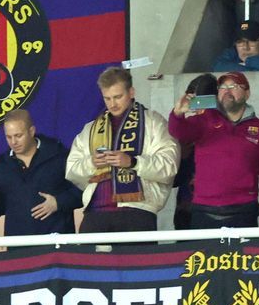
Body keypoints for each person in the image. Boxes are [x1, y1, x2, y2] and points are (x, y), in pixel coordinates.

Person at [65, 66, 178, 231]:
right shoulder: (90, 129)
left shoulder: (154, 122)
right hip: (95, 213)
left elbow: (169, 167)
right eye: (107, 98)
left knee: (135, 258)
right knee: (90, 258)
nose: (112, 104)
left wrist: (133, 162)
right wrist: (92, 163)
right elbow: (71, 170)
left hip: (138, 212)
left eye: (118, 97)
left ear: (131, 92)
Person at [167, 71, 259, 227]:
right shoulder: (204, 120)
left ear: (247, 93)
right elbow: (180, 132)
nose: (227, 90)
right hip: (203, 211)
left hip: (243, 212)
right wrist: (178, 113)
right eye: (222, 87)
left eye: (234, 86)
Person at [0, 108, 78, 235]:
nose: (13, 142)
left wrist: (58, 202)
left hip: (56, 246)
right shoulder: (2, 168)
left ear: (32, 131)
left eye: (18, 136)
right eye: (8, 137)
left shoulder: (59, 157)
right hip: (19, 249)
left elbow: (83, 192)